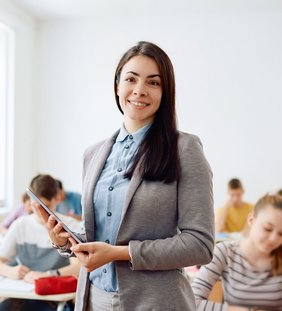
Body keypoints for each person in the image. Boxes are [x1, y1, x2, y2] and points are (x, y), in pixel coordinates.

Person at [36, 41, 215, 310]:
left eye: (153, 83)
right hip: (94, 299)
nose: (139, 90)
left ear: (165, 92)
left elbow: (199, 245)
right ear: (117, 85)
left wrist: (121, 254)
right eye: (131, 79)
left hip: (155, 302)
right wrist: (63, 241)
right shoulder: (93, 154)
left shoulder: (184, 149)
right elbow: (101, 232)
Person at [0, 174, 81, 311]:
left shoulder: (71, 226)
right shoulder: (20, 225)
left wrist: (48, 275)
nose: (41, 211)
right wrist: (11, 271)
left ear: (57, 199)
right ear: (29, 201)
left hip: (55, 298)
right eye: (36, 205)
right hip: (23, 297)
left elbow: (79, 266)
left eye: (47, 206)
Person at [192, 194, 282, 310]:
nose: (273, 239)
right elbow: (192, 301)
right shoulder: (225, 252)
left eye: (281, 234)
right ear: (251, 220)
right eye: (267, 229)